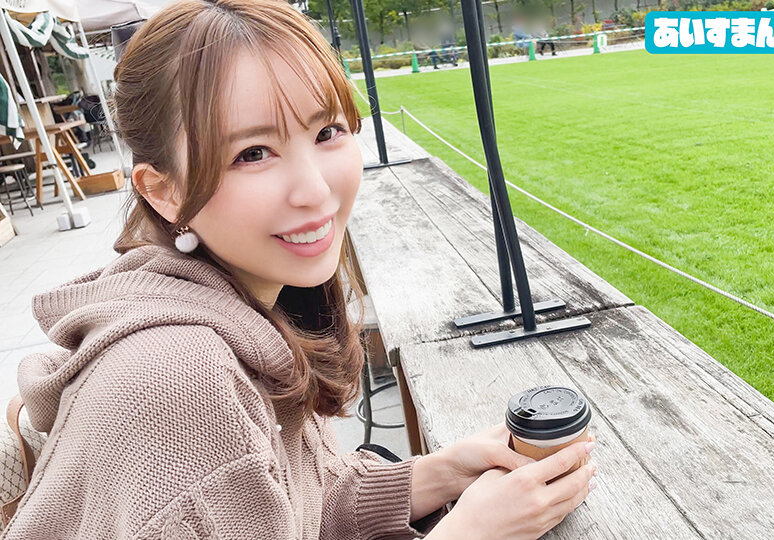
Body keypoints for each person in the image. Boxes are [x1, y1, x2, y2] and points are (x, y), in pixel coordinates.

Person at [1, 0, 597, 538]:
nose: (315, 191)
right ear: (164, 191)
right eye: (252, 153)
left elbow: (288, 504)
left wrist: (441, 472)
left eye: (327, 131)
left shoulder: (240, 302)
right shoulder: (181, 385)